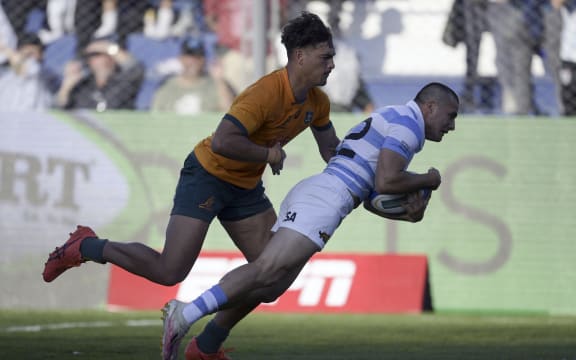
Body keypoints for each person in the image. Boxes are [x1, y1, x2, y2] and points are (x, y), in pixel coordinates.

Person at [42, 11, 338, 360]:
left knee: (273, 277)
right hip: (208, 175)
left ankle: (206, 346)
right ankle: (87, 245)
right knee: (170, 271)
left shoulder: (317, 103)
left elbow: (332, 151)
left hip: (244, 187)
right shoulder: (265, 93)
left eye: (332, 57)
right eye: (325, 57)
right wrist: (267, 153)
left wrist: (366, 179)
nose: (331, 65)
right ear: (299, 55)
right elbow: (223, 141)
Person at [161, 82, 459, 359]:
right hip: (325, 199)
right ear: (430, 107)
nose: (452, 126)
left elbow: (372, 196)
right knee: (266, 269)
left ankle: (206, 345)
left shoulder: (395, 116)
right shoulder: (409, 126)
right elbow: (388, 179)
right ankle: (184, 314)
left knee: (271, 285)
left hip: (323, 193)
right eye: (450, 115)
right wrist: (429, 179)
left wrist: (410, 213)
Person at [55, 37, 145, 110]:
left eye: (99, 54)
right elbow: (59, 108)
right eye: (90, 56)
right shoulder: (81, 86)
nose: (94, 59)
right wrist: (66, 87)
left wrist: (109, 48)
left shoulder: (123, 82)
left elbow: (135, 68)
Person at [151, 37, 234, 114]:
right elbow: (155, 118)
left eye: (198, 57)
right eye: (189, 57)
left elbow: (229, 115)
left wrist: (219, 80)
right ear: (181, 58)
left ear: (204, 60)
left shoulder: (216, 85)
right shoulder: (167, 88)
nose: (193, 61)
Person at [0, 32, 56, 111]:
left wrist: (7, 50)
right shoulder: (5, 77)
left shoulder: (44, 73)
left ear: (41, 55)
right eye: (26, 55)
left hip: (36, 118)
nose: (29, 59)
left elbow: (28, 70)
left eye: (31, 54)